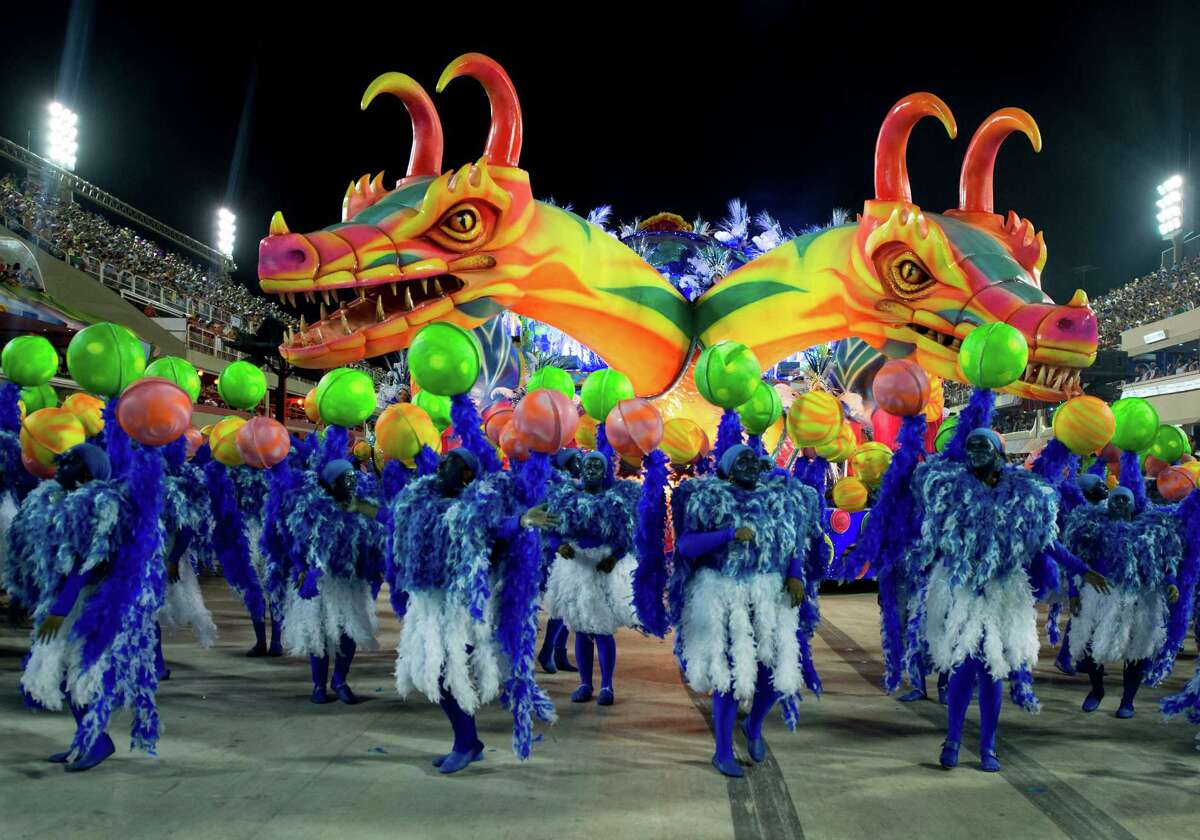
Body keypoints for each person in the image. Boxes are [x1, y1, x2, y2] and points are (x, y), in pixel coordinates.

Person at [911, 428, 1100, 772]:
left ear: (999, 451)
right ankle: (954, 738)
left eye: (983, 445)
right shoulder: (950, 490)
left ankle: (986, 745)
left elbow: (1046, 540)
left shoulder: (1025, 494)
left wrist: (1082, 569)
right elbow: (931, 536)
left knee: (991, 669)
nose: (975, 451)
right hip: (963, 589)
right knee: (967, 664)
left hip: (1005, 592)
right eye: (970, 446)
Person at [391, 448, 558, 774]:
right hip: (427, 600)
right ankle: (468, 741)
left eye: (452, 462)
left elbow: (494, 528)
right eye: (443, 460)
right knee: (429, 672)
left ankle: (466, 743)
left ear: (468, 473)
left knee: (446, 671)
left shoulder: (479, 504)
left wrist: (522, 521)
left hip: (461, 604)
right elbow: (392, 521)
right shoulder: (416, 499)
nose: (442, 465)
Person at [671, 443, 825, 777]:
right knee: (727, 675)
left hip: (770, 595)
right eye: (741, 460)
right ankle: (722, 751)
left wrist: (795, 575)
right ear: (726, 468)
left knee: (775, 672)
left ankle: (754, 726)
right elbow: (686, 545)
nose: (750, 464)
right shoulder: (709, 498)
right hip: (724, 594)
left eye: (754, 459)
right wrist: (726, 535)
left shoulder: (778, 501)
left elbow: (792, 543)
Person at [14, 443, 166, 771]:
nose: (59, 467)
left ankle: (98, 739)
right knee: (68, 668)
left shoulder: (100, 506)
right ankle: (87, 738)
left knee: (83, 670)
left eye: (68, 462)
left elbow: (88, 563)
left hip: (94, 603)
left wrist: (61, 608)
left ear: (85, 471)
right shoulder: (59, 501)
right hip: (72, 599)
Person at [541, 451, 641, 705]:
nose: (592, 468)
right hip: (575, 567)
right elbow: (552, 528)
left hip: (603, 569)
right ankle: (585, 683)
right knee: (581, 630)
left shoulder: (617, 500)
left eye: (598, 464)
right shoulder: (567, 497)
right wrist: (558, 545)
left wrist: (616, 556)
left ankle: (607, 685)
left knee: (603, 630)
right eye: (588, 464)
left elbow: (628, 535)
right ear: (581, 470)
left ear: (607, 470)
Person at [280, 458, 383, 705]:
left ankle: (340, 680)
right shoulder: (310, 508)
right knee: (320, 633)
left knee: (348, 631)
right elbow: (293, 540)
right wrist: (302, 567)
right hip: (319, 582)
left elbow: (379, 528)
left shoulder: (360, 506)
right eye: (345, 478)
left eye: (353, 477)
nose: (351, 482)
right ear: (329, 483)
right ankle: (319, 684)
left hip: (349, 581)